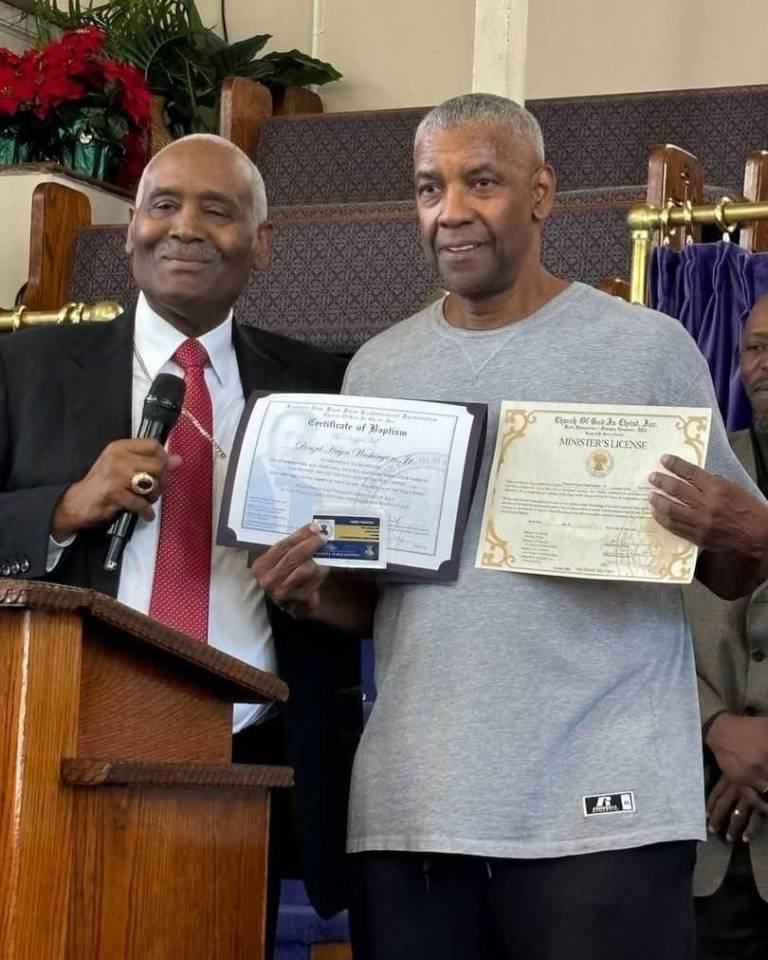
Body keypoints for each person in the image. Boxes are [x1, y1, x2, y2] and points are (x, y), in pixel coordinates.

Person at [252, 94, 768, 960]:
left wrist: (745, 523)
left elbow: (730, 569)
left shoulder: (648, 348)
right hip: (417, 807)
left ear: (540, 192)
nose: (450, 210)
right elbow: (373, 603)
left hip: (605, 809)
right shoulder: (379, 367)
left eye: (480, 181)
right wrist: (309, 593)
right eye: (429, 188)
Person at [0, 134, 360, 944]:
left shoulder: (325, 386)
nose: (185, 228)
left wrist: (323, 592)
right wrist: (62, 508)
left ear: (262, 244)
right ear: (130, 231)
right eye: (163, 206)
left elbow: (372, 580)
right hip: (58, 744)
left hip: (250, 759)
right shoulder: (22, 369)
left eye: (218, 209)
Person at [686, 293, 768, 959]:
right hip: (709, 833)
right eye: (755, 348)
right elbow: (642, 625)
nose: (764, 364)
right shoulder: (697, 482)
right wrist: (718, 726)